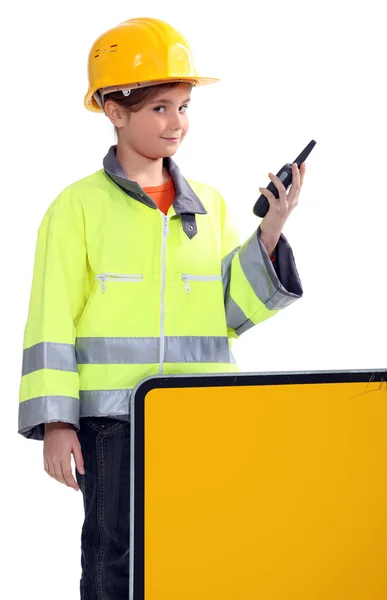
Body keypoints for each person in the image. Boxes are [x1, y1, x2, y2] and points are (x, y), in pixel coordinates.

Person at [18, 17, 305, 599]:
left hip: (201, 416)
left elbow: (233, 311)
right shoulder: (76, 210)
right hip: (114, 420)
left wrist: (271, 231)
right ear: (113, 110)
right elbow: (50, 319)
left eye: (184, 105)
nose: (177, 123)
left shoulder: (211, 205)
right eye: (160, 108)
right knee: (114, 551)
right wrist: (55, 423)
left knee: (199, 547)